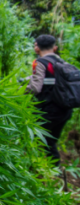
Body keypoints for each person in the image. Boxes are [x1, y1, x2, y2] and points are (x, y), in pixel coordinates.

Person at [26, 35, 73, 166]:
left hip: (48, 109)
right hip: (65, 110)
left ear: (37, 48)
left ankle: (37, 168)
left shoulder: (40, 62)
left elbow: (35, 87)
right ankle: (54, 171)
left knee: (35, 137)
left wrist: (19, 92)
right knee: (50, 140)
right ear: (55, 48)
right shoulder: (62, 63)